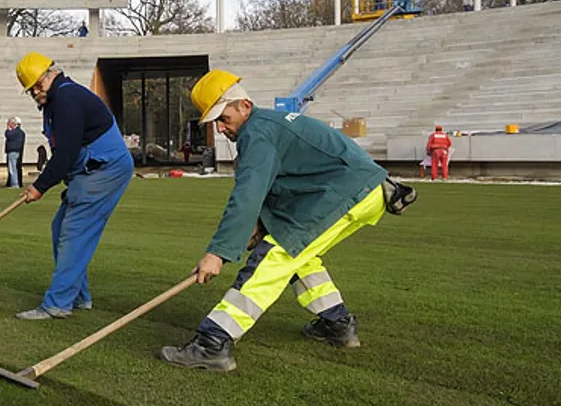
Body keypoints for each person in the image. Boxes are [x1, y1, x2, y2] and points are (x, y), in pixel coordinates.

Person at [157, 69, 414, 372]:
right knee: (297, 252)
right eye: (216, 122)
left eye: (224, 118)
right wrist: (260, 226)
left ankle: (213, 342)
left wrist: (218, 253)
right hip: (365, 191)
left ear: (245, 106)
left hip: (345, 192)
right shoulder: (268, 126)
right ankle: (337, 322)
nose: (221, 128)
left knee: (273, 258)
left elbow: (247, 196)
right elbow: (286, 184)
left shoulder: (258, 133)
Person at [13, 53, 133, 320]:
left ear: (50, 74)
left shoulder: (66, 99)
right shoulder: (57, 100)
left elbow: (65, 153)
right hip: (90, 169)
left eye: (37, 84)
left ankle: (57, 303)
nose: (35, 91)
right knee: (60, 227)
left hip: (104, 169)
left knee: (75, 230)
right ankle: (79, 295)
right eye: (30, 88)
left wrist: (39, 187)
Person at [5, 117, 25, 188]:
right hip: (16, 151)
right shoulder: (20, 132)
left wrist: (8, 129)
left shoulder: (16, 131)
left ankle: (15, 184)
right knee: (13, 168)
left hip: (13, 151)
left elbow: (8, 135)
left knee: (12, 168)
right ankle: (14, 183)